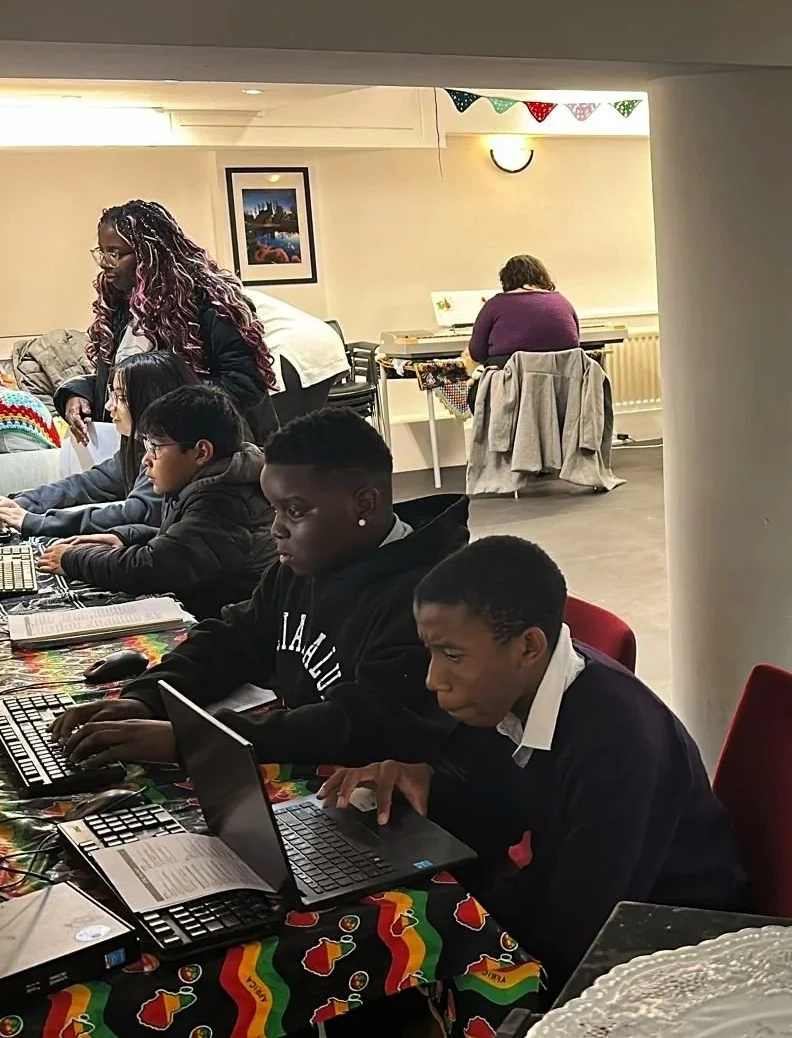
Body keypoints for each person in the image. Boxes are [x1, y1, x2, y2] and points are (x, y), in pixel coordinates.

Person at [321, 536, 747, 994]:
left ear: (528, 647)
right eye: (430, 652)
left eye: (452, 655)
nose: (432, 678)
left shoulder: (616, 742)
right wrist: (421, 785)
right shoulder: (508, 694)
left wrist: (447, 925)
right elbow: (494, 805)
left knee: (402, 959)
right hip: (579, 906)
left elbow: (576, 933)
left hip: (676, 946)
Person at [50, 407, 469, 768]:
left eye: (296, 511)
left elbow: (362, 724)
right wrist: (149, 697)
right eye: (275, 509)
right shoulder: (304, 565)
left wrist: (195, 739)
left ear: (364, 504)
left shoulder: (429, 602)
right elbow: (234, 637)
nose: (277, 529)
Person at [37, 385, 275, 622]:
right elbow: (181, 544)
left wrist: (72, 559)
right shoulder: (211, 481)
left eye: (155, 448)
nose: (145, 459)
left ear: (201, 452)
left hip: (227, 628)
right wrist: (126, 537)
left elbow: (152, 567)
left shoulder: (224, 501)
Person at [56, 200, 278, 446]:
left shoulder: (210, 304)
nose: (105, 262)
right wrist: (78, 394)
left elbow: (245, 385)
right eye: (102, 252)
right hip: (148, 451)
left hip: (207, 450)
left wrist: (159, 396)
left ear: (150, 254)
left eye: (116, 253)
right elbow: (122, 378)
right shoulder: (120, 303)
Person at [0, 351, 198, 538]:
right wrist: (21, 502)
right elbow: (88, 484)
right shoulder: (141, 445)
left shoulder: (172, 454)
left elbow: (134, 514)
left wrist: (34, 522)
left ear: (151, 400)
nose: (109, 407)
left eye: (121, 397)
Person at [244, 289, 349, 425]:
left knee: (284, 430)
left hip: (298, 348)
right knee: (306, 427)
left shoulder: (219, 299)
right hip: (322, 342)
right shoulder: (228, 291)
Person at [465, 254, 581, 370]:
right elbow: (575, 343)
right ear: (541, 276)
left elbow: (477, 353)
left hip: (509, 383)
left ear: (506, 280)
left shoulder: (495, 305)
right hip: (563, 384)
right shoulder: (563, 303)